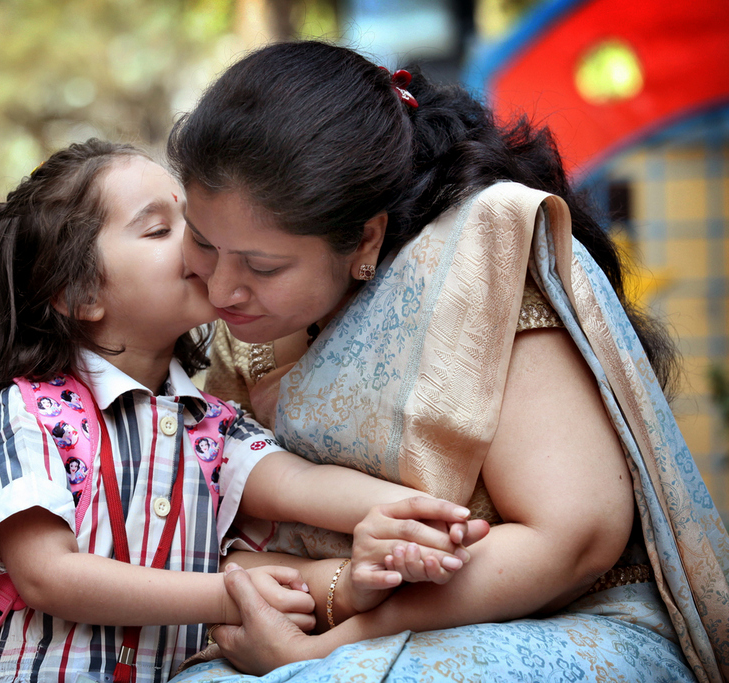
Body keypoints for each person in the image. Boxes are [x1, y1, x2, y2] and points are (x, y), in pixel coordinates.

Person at [165, 41, 729, 683]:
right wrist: (334, 593)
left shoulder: (474, 272)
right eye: (203, 243)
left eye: (262, 267)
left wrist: (328, 649)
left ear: (366, 239)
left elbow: (575, 538)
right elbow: (216, 542)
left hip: (561, 622)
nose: (219, 291)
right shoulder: (252, 326)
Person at [0, 139, 485, 683]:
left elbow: (302, 484)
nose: (198, 242)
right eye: (159, 229)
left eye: (191, 219)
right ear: (80, 295)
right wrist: (225, 596)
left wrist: (424, 518)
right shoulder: (27, 409)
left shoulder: (210, 426)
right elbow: (48, 576)